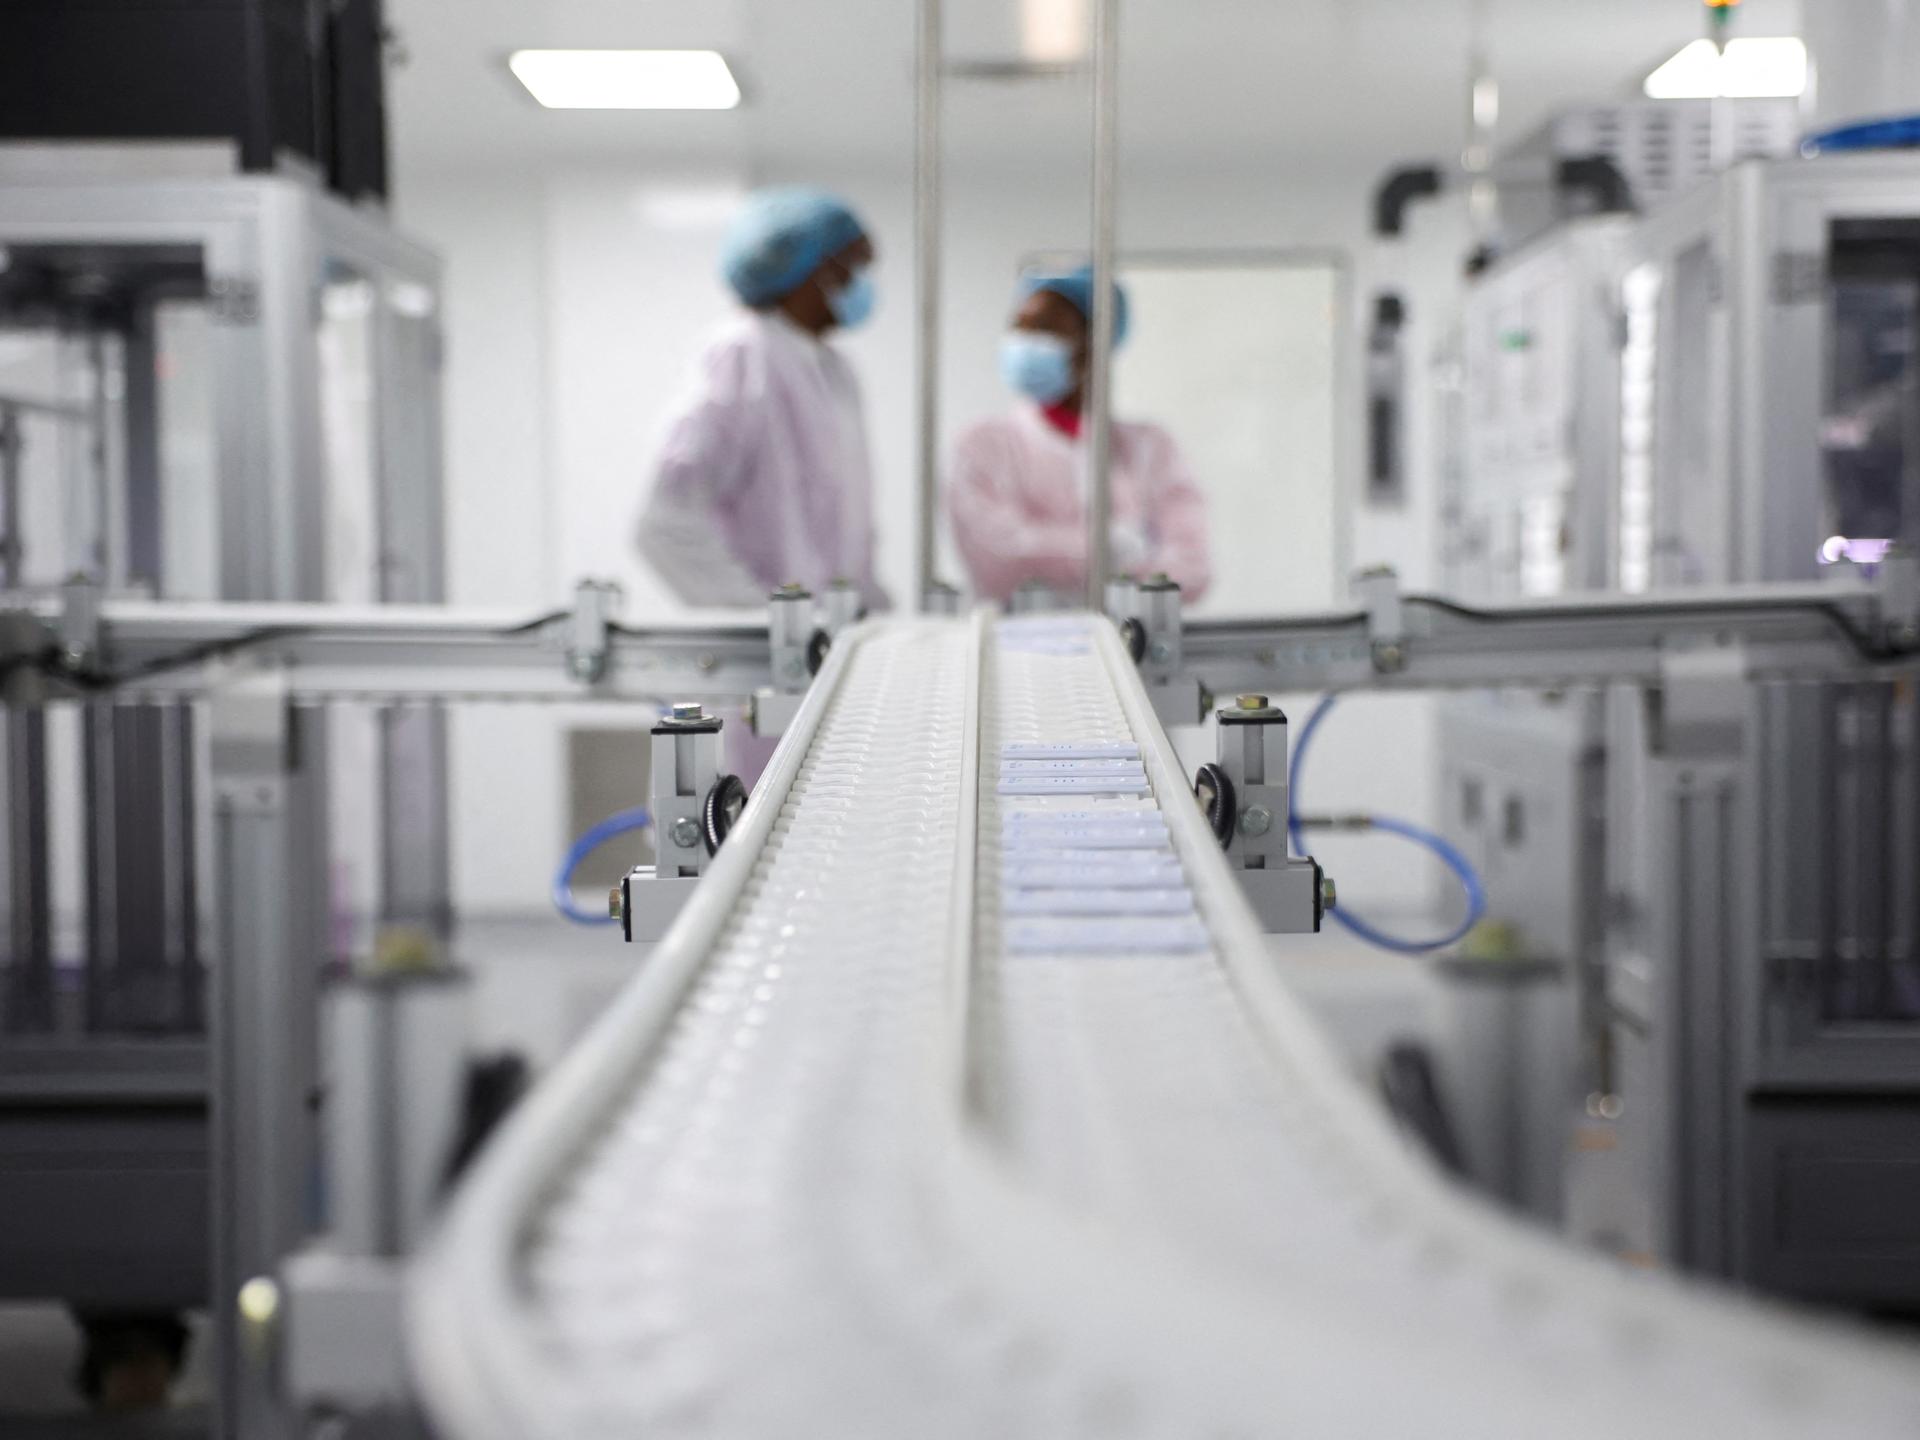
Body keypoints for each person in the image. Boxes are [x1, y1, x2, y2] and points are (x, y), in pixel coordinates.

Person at [636, 187, 887, 611]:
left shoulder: (834, 370)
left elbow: (843, 529)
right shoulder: (743, 354)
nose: (862, 284)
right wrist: (764, 620)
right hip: (772, 638)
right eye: (853, 266)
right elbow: (667, 524)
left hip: (832, 630)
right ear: (814, 270)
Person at [947, 264, 1210, 605]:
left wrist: (1060, 552)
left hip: (1130, 634)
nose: (1024, 342)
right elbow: (997, 561)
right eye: (1019, 326)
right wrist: (1115, 550)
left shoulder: (1149, 447)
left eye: (1045, 328)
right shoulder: (981, 446)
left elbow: (1192, 568)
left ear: (1092, 345)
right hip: (1015, 633)